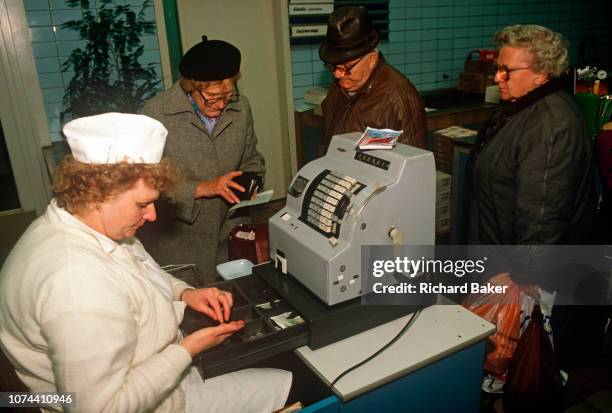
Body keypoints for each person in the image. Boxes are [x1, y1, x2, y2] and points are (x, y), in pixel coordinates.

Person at [0, 113, 291, 413]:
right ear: (98, 194)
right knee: (290, 383)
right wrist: (186, 350)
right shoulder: (76, 286)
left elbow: (138, 269)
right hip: (150, 401)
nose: (152, 215)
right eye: (142, 204)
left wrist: (184, 293)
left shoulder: (81, 221)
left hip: (154, 367)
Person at [466, 25, 603, 371]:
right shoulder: (522, 108)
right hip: (501, 257)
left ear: (542, 73)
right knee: (502, 355)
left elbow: (543, 212)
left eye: (506, 70)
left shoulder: (551, 124)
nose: (497, 77)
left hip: (525, 273)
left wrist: (523, 274)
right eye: (497, 66)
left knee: (522, 358)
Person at [141, 36, 265, 285]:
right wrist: (201, 188)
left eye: (228, 95)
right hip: (179, 237)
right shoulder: (156, 113)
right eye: (212, 97)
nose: (221, 105)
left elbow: (252, 156)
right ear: (190, 87)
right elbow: (145, 180)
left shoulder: (241, 108)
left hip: (230, 230)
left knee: (237, 299)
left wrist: (253, 179)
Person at [318, 6, 427, 153]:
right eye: (333, 66)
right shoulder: (340, 86)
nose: (337, 75)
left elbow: (414, 163)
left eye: (347, 67)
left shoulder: (397, 98)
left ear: (371, 59)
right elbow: (326, 142)